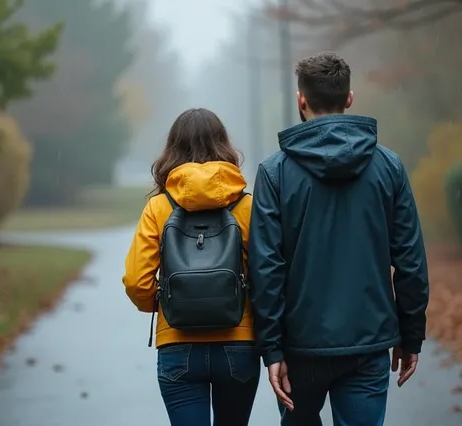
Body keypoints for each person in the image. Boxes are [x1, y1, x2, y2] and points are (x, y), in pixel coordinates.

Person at [248, 52, 430, 426]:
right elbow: (410, 261)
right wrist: (411, 335)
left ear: (302, 100)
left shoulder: (274, 173)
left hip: (300, 347)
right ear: (349, 99)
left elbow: (266, 269)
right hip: (369, 341)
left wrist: (273, 349)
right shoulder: (388, 167)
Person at [122, 108, 260, 426]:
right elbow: (266, 275)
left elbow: (136, 281)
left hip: (178, 342)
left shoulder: (159, 207)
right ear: (224, 146)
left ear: (172, 150)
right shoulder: (247, 205)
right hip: (238, 343)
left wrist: (165, 305)